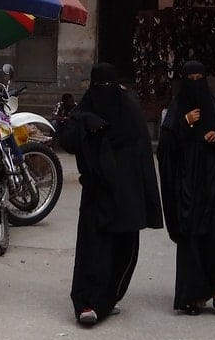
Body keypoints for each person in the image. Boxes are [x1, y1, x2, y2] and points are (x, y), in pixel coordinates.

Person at [59, 63, 163, 325]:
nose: (103, 92)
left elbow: (142, 158)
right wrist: (82, 122)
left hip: (125, 195)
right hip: (96, 193)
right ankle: (86, 304)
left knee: (122, 249)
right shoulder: (87, 109)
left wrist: (144, 200)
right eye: (99, 87)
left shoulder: (129, 112)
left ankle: (108, 299)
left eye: (107, 87)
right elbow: (68, 141)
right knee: (91, 250)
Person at [157, 60, 215, 316]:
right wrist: (184, 123)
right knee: (192, 240)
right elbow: (165, 146)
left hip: (214, 182)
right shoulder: (178, 107)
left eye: (200, 77)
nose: (195, 83)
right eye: (191, 78)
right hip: (188, 186)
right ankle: (194, 297)